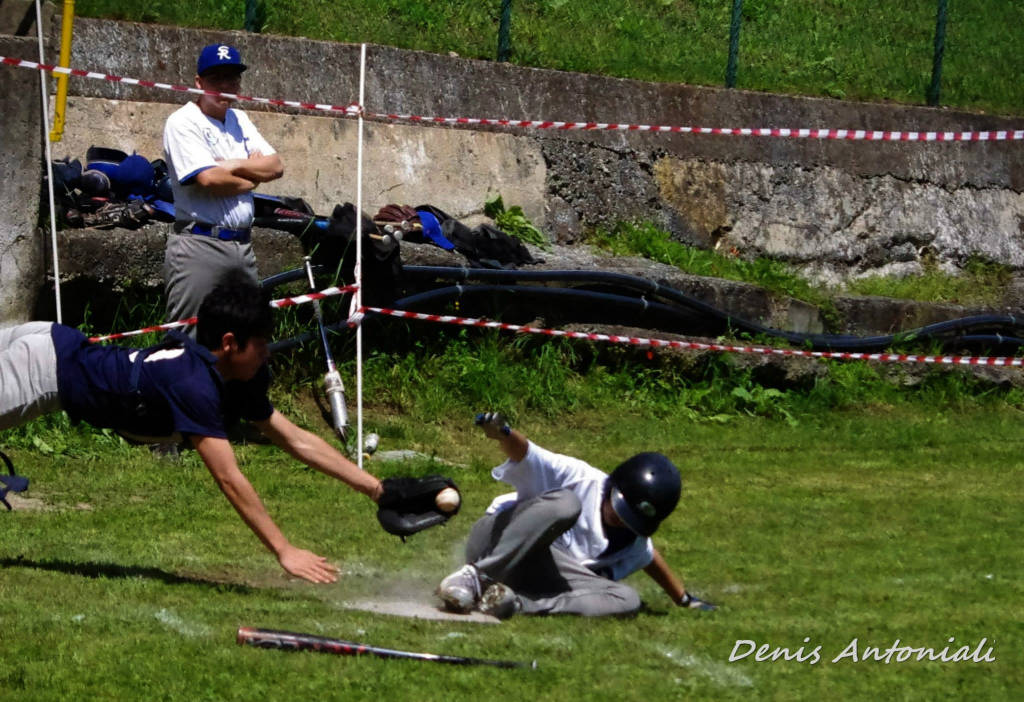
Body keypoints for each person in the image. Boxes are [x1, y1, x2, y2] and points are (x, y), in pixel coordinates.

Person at [0, 276, 382, 584]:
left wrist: (376, 489)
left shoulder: (237, 375)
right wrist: (284, 549)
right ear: (230, 343)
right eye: (261, 346)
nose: (267, 353)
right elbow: (229, 478)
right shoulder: (193, 385)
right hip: (41, 370)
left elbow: (294, 438)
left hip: (52, 340)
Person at [436, 413, 716, 618]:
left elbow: (649, 557)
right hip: (495, 541)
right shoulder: (579, 477)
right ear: (614, 486)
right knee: (566, 503)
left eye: (632, 520)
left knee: (627, 599)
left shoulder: (633, 537)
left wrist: (683, 599)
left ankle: (513, 603)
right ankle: (475, 577)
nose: (621, 521)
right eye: (621, 511)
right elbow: (528, 453)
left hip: (534, 574)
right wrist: (504, 433)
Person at [162, 43, 284, 331]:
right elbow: (209, 180)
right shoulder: (182, 122)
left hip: (242, 244)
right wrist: (252, 176)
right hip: (200, 244)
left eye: (232, 79)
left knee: (247, 336)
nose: (225, 86)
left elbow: (276, 166)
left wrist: (229, 164)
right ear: (199, 83)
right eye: (216, 79)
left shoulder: (239, 119)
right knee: (189, 339)